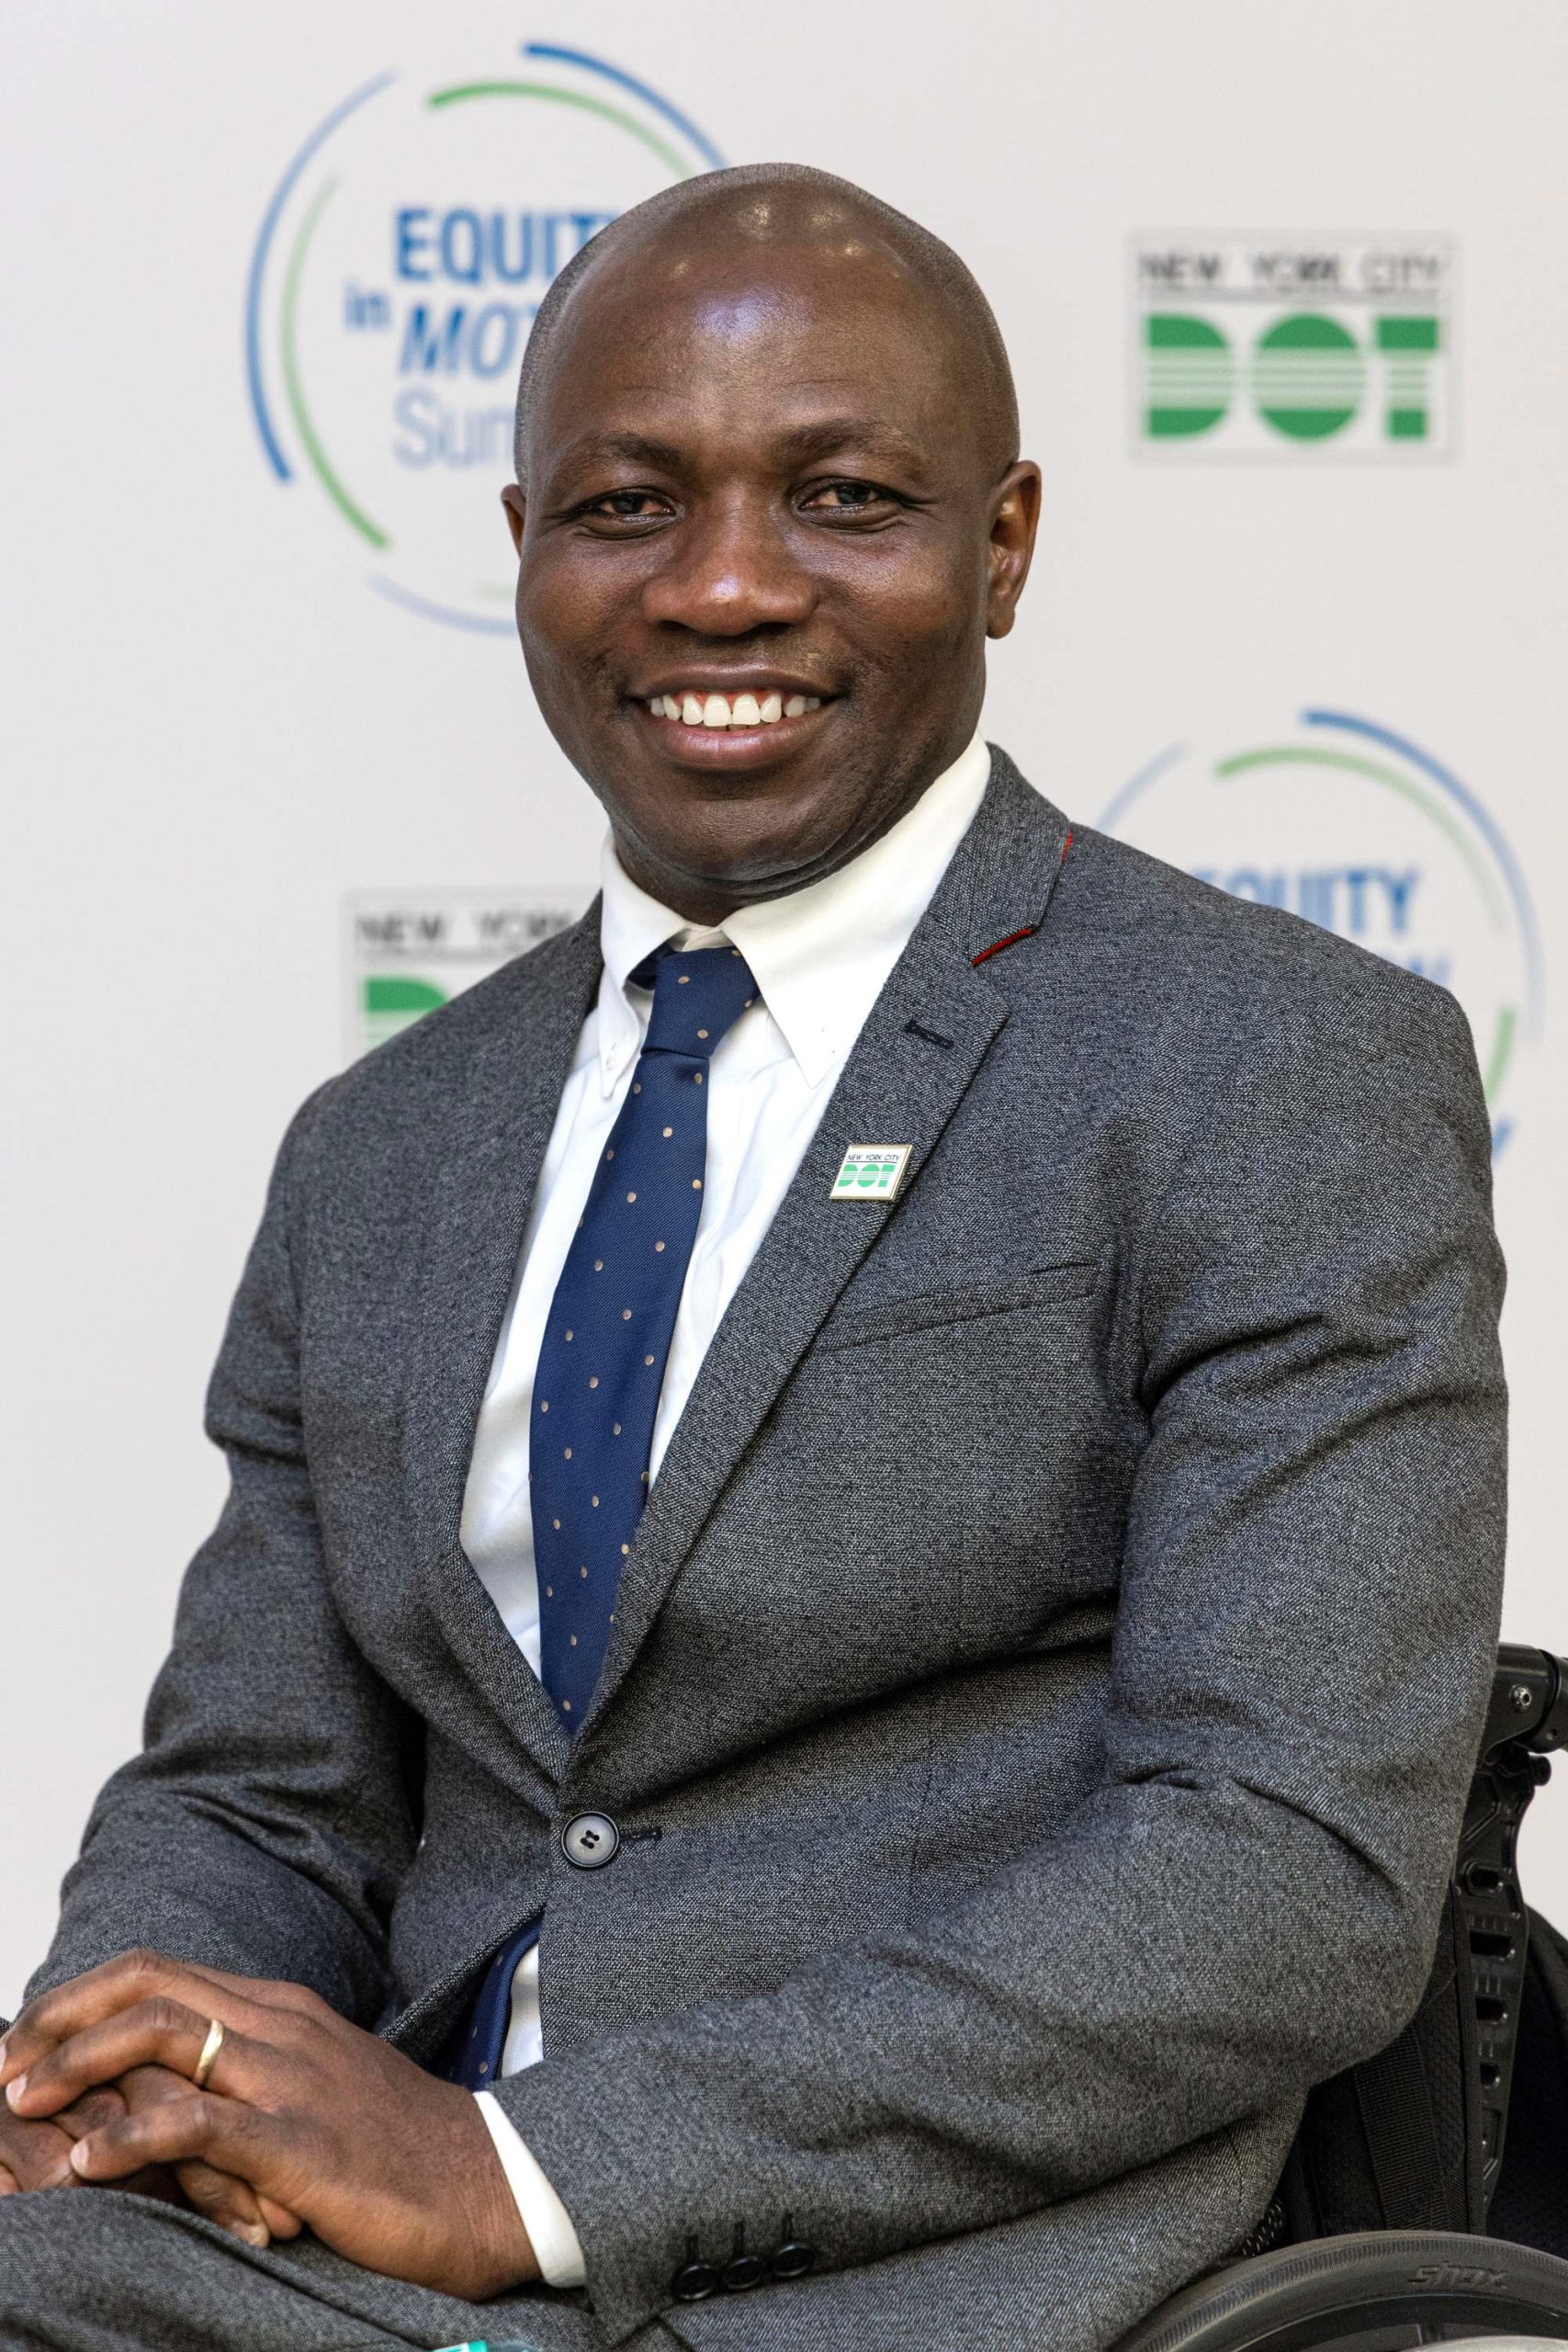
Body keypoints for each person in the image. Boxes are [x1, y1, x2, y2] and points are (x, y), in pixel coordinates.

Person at [0, 163, 1506, 2352]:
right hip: (339, 2276)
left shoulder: (1263, 1059)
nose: (721, 588)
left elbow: (1276, 1871)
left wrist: (517, 2168)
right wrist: (115, 2073)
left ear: (1000, 543)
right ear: (521, 544)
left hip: (917, 2291)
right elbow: (262, 1791)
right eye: (627, 507)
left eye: (839, 499)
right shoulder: (383, 1151)